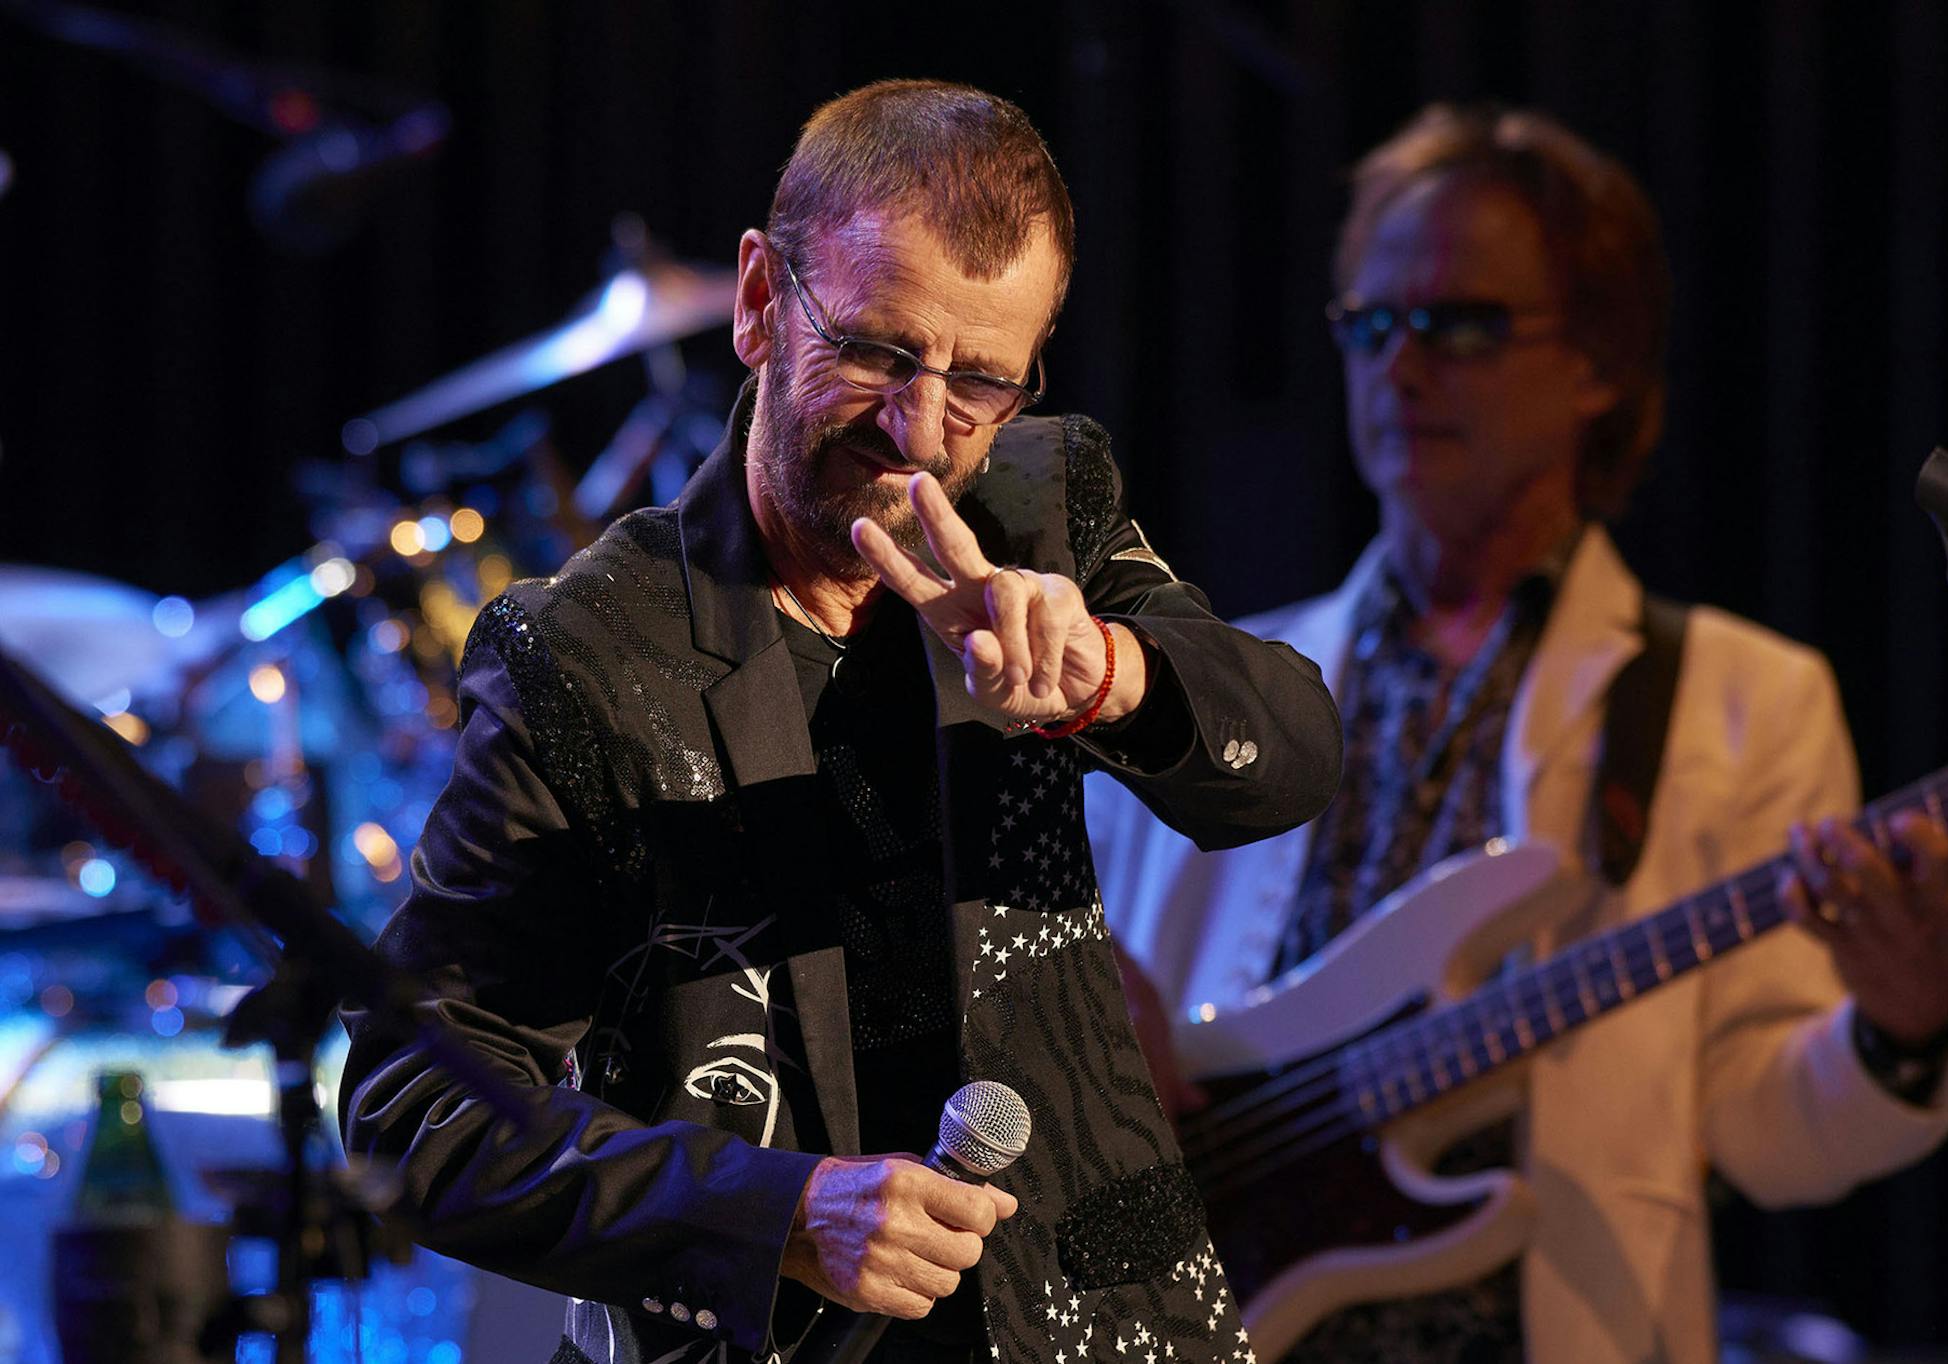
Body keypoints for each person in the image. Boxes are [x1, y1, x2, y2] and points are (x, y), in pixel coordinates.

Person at [340, 79, 1342, 1364]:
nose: (922, 429)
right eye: (877, 350)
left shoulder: (1044, 500)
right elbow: (416, 1102)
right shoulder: (583, 649)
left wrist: (1109, 671)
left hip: (1105, 1326)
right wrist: (780, 1211)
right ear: (760, 300)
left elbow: (1295, 754)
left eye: (982, 379)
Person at [1087, 105, 1948, 1364]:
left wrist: (1905, 1019)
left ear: (1600, 362)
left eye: (1458, 323)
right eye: (1369, 326)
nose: (1399, 367)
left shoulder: (1741, 695)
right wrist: (1062, 1004)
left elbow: (1768, 1131)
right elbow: (1047, 996)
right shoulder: (1194, 678)